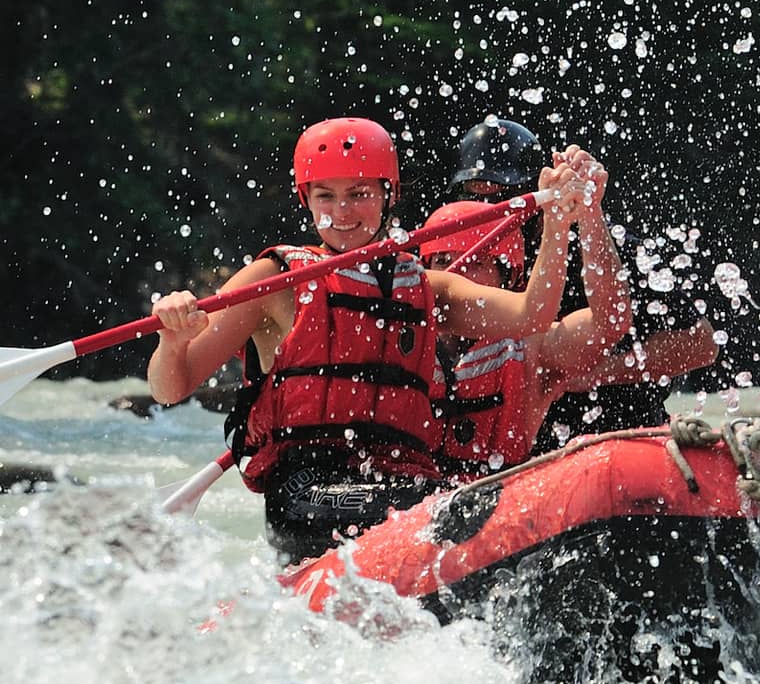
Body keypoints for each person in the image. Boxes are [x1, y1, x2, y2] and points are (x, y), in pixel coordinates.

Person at [147, 117, 598, 562]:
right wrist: (172, 341)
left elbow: (532, 313)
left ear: (389, 195)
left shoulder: (425, 287)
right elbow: (171, 387)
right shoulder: (276, 281)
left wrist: (558, 223)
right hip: (306, 495)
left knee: (483, 502)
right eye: (326, 196)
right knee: (464, 506)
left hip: (404, 480)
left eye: (359, 195)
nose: (342, 212)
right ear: (306, 199)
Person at [446, 115, 717, 453]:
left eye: (505, 198)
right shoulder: (449, 260)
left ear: (536, 194)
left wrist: (595, 372)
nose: (492, 214)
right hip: (513, 456)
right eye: (477, 199)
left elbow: (702, 344)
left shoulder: (602, 247)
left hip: (615, 438)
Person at [418, 156, 636, 477]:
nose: (459, 278)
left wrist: (589, 214)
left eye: (477, 263)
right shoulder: (400, 335)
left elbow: (610, 323)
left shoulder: (533, 351)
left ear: (508, 279)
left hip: (503, 507)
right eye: (443, 262)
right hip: (403, 505)